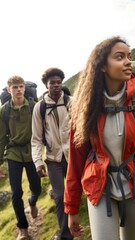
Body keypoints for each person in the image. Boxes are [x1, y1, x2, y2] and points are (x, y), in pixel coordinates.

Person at [64, 36, 135, 240]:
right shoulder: (84, 106)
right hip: (99, 187)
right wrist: (71, 207)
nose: (128, 62)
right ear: (102, 66)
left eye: (129, 56)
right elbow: (76, 158)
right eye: (120, 57)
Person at [31, 67, 73, 240]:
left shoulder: (71, 102)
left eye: (58, 82)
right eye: (52, 83)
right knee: (59, 195)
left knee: (78, 192)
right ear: (46, 86)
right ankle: (65, 235)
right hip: (53, 159)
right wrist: (38, 162)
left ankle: (79, 223)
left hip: (73, 157)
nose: (56, 86)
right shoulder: (39, 108)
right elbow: (36, 138)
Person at [0, 76, 41, 240]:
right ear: (9, 90)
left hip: (32, 151)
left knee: (36, 188)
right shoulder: (4, 111)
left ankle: (32, 202)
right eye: (15, 87)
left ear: (24, 88)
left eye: (21, 86)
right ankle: (23, 229)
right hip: (13, 153)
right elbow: (1, 137)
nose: (18, 90)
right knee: (16, 192)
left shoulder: (33, 106)